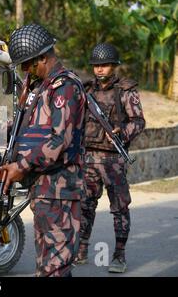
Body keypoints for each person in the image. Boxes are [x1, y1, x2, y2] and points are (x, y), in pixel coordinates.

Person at [2, 24, 87, 277]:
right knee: (47, 264)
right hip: (43, 188)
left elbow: (59, 139)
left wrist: (22, 166)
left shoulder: (65, 87)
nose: (25, 70)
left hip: (60, 189)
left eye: (28, 64)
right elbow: (25, 126)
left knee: (55, 266)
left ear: (43, 56)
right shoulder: (40, 87)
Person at [75, 43, 145, 273]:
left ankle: (119, 256)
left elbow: (138, 121)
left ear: (114, 66)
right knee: (85, 205)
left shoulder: (125, 91)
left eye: (104, 65)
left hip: (113, 159)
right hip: (89, 157)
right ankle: (82, 250)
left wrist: (121, 132)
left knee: (119, 208)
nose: (99, 70)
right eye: (96, 66)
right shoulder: (86, 90)